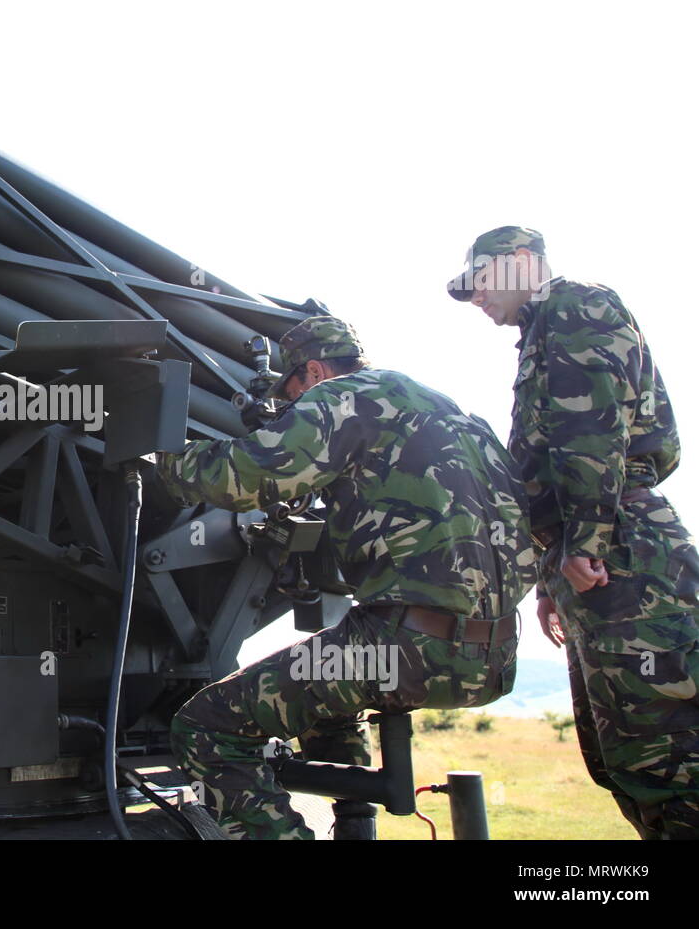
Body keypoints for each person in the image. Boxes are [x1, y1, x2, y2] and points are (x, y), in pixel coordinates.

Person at [157, 316, 537, 839]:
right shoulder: (454, 414)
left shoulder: (340, 397)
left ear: (313, 370)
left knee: (205, 727)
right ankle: (357, 827)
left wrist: (164, 459)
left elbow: (245, 476)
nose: (293, 410)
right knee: (324, 685)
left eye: (293, 397)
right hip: (495, 657)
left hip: (405, 646)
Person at [448, 225, 699, 839]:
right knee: (620, 757)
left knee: (666, 757)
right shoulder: (543, 330)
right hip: (601, 554)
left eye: (480, 281)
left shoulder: (574, 306)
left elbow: (590, 436)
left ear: (520, 262)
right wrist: (547, 573)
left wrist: (583, 546)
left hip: (626, 557)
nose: (476, 299)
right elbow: (554, 464)